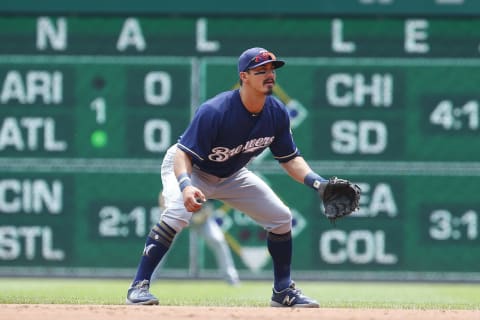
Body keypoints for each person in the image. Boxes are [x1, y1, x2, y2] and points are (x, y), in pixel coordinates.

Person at [126, 47, 331, 308]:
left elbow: (290, 159)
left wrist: (318, 182)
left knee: (280, 218)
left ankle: (283, 291)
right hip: (192, 169)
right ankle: (139, 286)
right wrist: (186, 186)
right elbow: (182, 155)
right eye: (261, 71)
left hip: (232, 174)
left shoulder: (277, 113)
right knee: (177, 213)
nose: (269, 75)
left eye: (272, 69)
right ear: (244, 76)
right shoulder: (216, 111)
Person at [154, 193, 240, 286]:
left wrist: (195, 219)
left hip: (199, 217)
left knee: (217, 240)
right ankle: (147, 277)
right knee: (161, 242)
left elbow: (208, 208)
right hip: (175, 216)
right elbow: (163, 196)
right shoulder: (177, 180)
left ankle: (232, 279)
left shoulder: (205, 180)